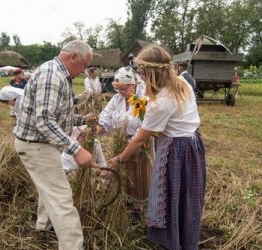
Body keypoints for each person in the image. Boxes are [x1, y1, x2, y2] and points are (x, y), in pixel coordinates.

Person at [108, 45, 206, 250]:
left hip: (175, 150)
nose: (141, 78)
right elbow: (147, 106)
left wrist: (118, 160)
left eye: (142, 73)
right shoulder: (181, 83)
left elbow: (140, 139)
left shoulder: (161, 102)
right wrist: (133, 100)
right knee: (186, 197)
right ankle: (185, 240)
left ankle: (171, 243)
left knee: (170, 197)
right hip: (193, 145)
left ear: (152, 72)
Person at [14, 40, 95, 250]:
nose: (85, 71)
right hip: (37, 145)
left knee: (48, 187)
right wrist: (76, 150)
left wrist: (81, 120)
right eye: (84, 65)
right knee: (61, 199)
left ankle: (43, 225)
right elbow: (45, 121)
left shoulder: (58, 74)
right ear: (73, 57)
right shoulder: (52, 75)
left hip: (39, 144)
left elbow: (57, 115)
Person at [97, 66, 152, 222]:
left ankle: (138, 209)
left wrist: (132, 141)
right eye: (118, 89)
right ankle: (124, 200)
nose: (120, 92)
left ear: (133, 86)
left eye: (123, 89)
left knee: (138, 175)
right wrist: (96, 129)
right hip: (121, 141)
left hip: (140, 143)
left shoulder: (141, 100)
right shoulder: (117, 99)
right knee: (121, 172)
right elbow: (105, 118)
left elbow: (143, 125)